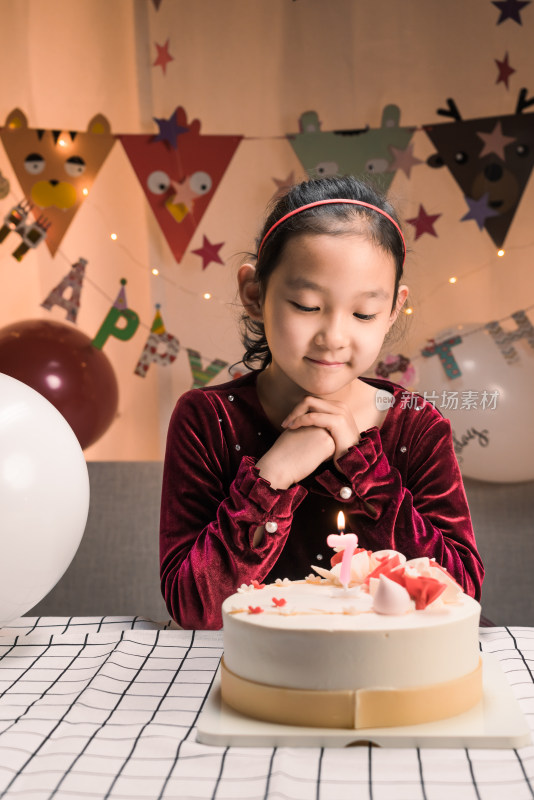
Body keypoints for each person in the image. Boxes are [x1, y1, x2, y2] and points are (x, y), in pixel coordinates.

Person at [160, 175, 484, 630]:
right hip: (265, 673)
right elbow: (194, 608)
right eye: (307, 305)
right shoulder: (206, 419)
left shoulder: (416, 424)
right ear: (254, 293)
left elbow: (460, 590)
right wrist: (272, 477)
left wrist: (362, 468)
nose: (333, 337)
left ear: (392, 310)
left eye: (364, 313)